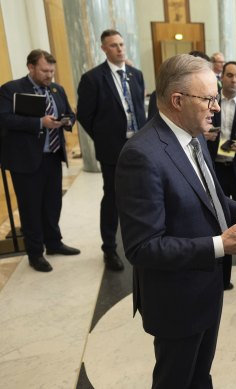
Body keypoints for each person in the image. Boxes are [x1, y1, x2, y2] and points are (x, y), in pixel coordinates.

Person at [116, 54, 236, 388]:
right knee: (176, 380)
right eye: (209, 99)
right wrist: (219, 245)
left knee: (200, 376)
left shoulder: (194, 134)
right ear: (177, 100)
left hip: (206, 288)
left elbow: (208, 199)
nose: (216, 107)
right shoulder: (141, 155)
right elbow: (143, 248)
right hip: (176, 301)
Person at [0, 49, 80, 272]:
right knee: (31, 208)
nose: (49, 75)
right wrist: (39, 123)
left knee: (52, 203)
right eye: (45, 70)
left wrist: (66, 121)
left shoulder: (56, 89)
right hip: (25, 160)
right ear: (31, 67)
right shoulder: (12, 89)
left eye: (52, 71)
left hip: (52, 156)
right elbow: (4, 118)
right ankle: (35, 254)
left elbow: (70, 114)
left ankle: (54, 243)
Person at [77, 29, 146, 271]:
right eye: (114, 45)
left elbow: (140, 110)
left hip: (139, 148)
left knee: (142, 196)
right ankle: (109, 249)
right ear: (104, 49)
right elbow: (84, 115)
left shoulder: (136, 75)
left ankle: (142, 241)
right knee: (113, 198)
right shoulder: (93, 78)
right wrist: (104, 138)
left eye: (121, 44)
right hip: (112, 150)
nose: (120, 49)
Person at [208, 61, 236, 287]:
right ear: (222, 77)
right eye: (230, 75)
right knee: (218, 217)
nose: (234, 80)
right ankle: (223, 268)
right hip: (216, 167)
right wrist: (205, 135)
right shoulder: (210, 100)